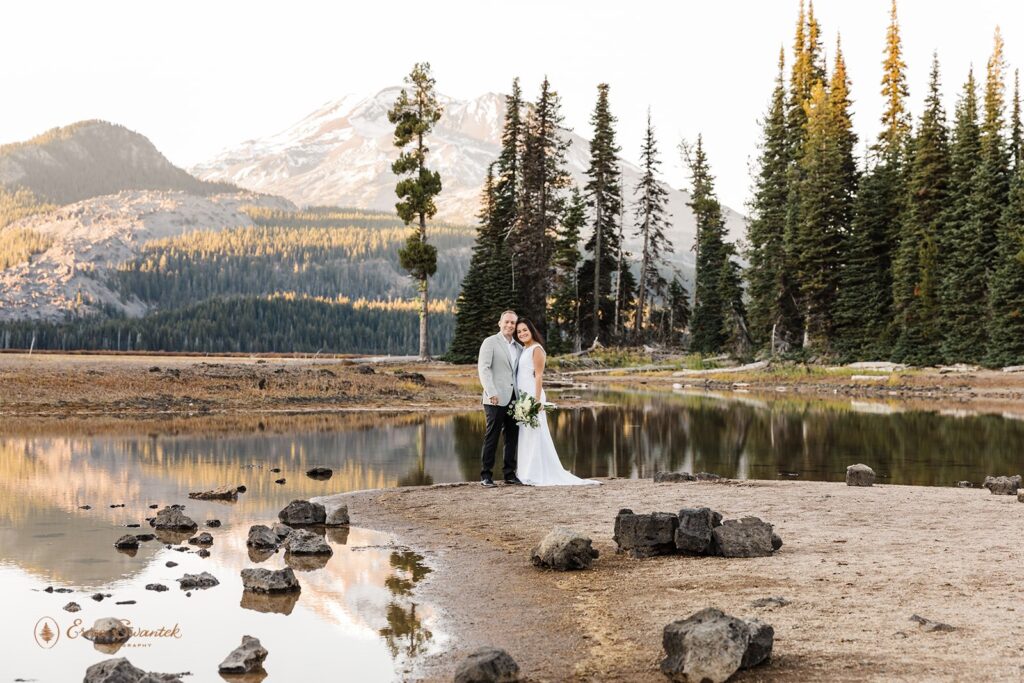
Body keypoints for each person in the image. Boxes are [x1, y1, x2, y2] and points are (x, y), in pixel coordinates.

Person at [513, 317, 599, 487]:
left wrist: (537, 401)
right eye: (519, 331)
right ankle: (524, 472)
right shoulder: (524, 349)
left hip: (532, 396)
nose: (522, 333)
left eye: (525, 330)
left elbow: (538, 376)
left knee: (535, 433)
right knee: (526, 435)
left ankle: (534, 473)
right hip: (522, 397)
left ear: (531, 330)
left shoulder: (537, 349)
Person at [477, 310, 524, 487]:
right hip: (494, 398)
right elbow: (484, 368)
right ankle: (486, 476)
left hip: (514, 399)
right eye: (507, 322)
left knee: (512, 437)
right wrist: (491, 391)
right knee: (492, 436)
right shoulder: (490, 342)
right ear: (500, 323)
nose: (510, 325)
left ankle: (509, 474)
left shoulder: (519, 348)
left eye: (513, 323)